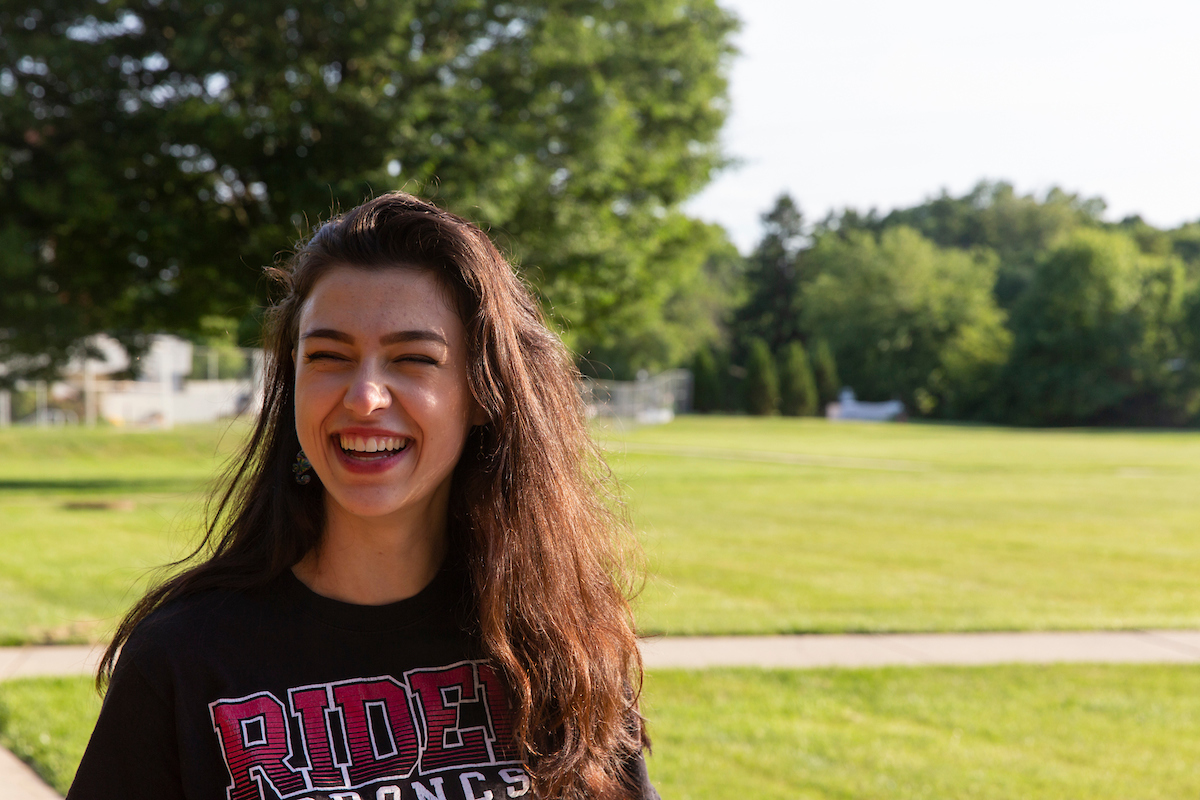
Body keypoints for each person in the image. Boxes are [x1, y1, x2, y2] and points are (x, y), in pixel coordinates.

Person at [68, 193, 657, 800]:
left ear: (483, 394)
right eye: (328, 356)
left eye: (412, 358)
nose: (364, 396)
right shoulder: (184, 658)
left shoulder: (559, 643)